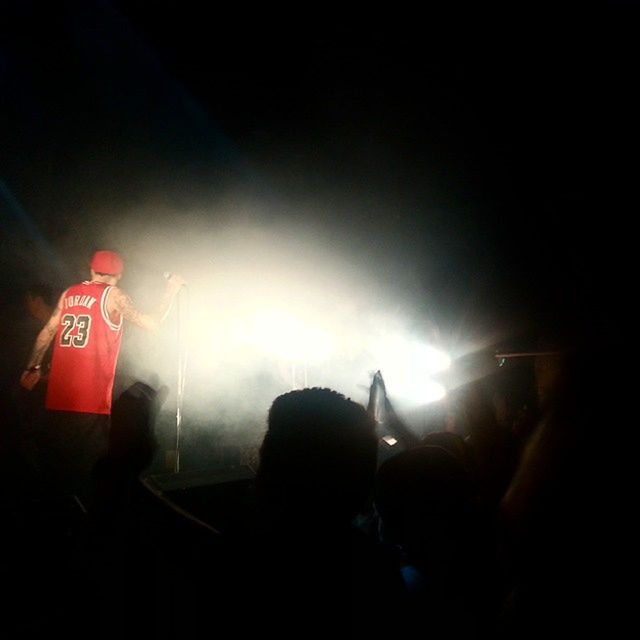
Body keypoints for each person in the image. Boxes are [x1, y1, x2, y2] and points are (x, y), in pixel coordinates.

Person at [18, 250, 185, 506]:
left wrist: (33, 367)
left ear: (91, 271)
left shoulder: (69, 294)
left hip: (58, 401)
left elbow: (47, 332)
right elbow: (151, 323)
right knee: (89, 478)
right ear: (118, 275)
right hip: (90, 404)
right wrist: (170, 292)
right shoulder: (113, 295)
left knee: (58, 473)